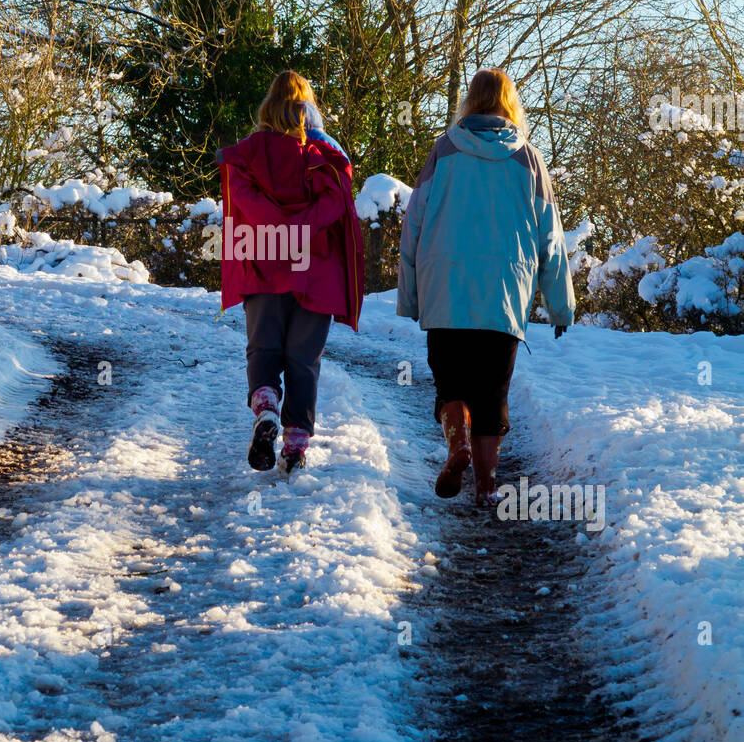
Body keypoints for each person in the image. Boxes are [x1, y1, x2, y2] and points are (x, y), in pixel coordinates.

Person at [397, 68, 574, 506]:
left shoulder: (443, 151)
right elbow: (550, 238)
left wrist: (411, 295)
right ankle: (487, 485)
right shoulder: (529, 159)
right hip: (504, 296)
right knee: (492, 395)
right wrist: (561, 307)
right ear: (509, 104)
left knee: (451, 385)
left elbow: (413, 225)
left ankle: (456, 445)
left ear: (469, 103)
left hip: (446, 291)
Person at [217, 70, 364, 474]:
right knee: (303, 359)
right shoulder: (325, 155)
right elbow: (337, 205)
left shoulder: (245, 155)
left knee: (263, 348)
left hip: (263, 262)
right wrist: (301, 226)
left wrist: (277, 228)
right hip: (315, 270)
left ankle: (266, 409)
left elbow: (244, 202)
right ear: (308, 108)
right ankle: (295, 445)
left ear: (268, 106)